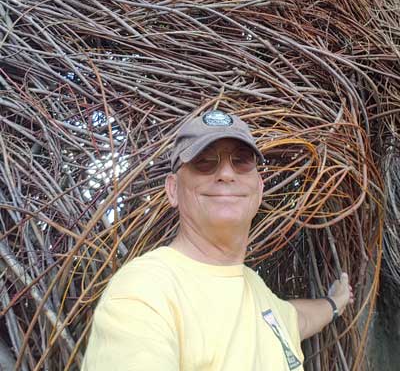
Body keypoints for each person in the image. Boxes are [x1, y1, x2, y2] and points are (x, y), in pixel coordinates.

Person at [82, 110, 353, 370]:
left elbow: (295, 319)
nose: (226, 173)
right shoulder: (143, 292)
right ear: (173, 190)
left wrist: (334, 303)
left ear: (259, 189)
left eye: (242, 160)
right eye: (205, 161)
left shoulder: (254, 289)